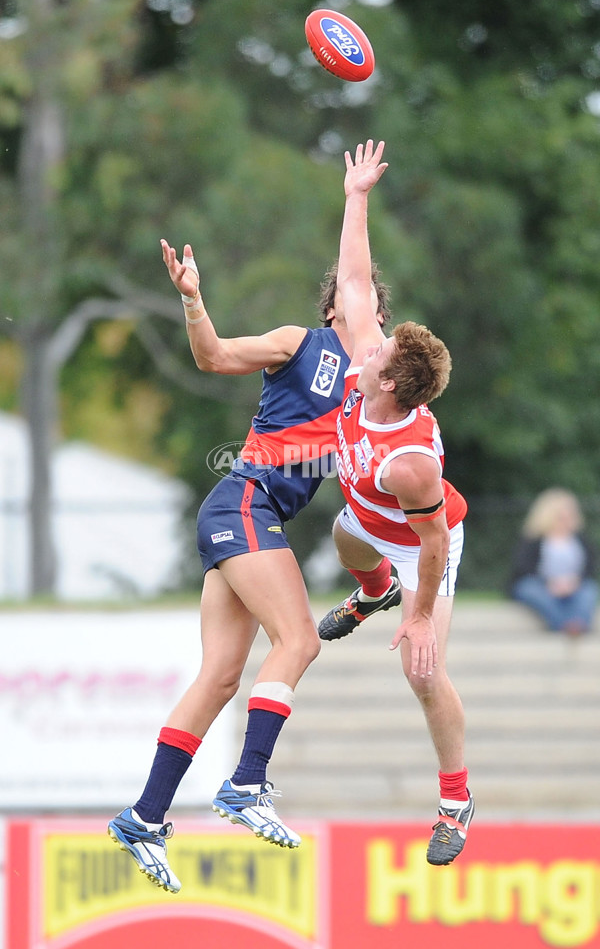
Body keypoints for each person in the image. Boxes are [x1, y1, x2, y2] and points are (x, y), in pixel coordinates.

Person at [107, 141, 391, 893]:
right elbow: (213, 357)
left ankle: (143, 816)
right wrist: (195, 299)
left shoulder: (373, 399)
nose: (377, 320)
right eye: (366, 307)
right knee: (298, 639)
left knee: (222, 676)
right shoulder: (305, 343)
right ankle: (245, 783)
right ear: (339, 307)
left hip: (244, 517)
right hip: (244, 502)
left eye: (383, 319)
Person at [316, 142, 473, 866]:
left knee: (422, 671)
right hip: (371, 527)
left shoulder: (408, 462)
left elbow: (434, 545)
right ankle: (369, 590)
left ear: (387, 386)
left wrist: (416, 616)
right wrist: (356, 195)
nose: (365, 340)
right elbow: (352, 280)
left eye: (375, 353)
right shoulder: (370, 369)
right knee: (349, 542)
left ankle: (454, 801)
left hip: (425, 545)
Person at [509, 488, 598, 636]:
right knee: (531, 590)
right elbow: (523, 567)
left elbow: (590, 567)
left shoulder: (580, 539)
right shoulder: (533, 539)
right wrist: (549, 583)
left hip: (573, 585)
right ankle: (565, 625)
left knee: (589, 590)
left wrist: (573, 582)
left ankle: (577, 624)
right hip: (540, 584)